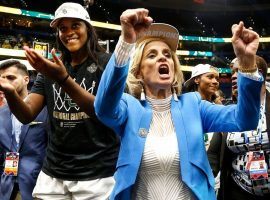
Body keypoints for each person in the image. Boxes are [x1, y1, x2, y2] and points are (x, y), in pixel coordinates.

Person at [94, 8, 263, 200]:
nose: (162, 57)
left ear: (174, 69)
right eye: (151, 55)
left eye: (167, 54)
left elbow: (245, 120)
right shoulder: (129, 108)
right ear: (138, 73)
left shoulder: (194, 105)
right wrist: (126, 42)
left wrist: (247, 63)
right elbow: (104, 108)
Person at [0, 2, 119, 200]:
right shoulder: (50, 67)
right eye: (63, 28)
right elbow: (26, 114)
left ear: (87, 28)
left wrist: (63, 79)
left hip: (98, 173)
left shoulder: (107, 63)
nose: (68, 32)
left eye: (75, 25)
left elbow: (105, 113)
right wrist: (11, 92)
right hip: (54, 172)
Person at [218, 55, 270, 200]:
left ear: (256, 73)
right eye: (232, 72)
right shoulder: (229, 109)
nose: (233, 77)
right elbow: (216, 156)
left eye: (238, 71)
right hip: (238, 191)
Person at [0, 59, 48, 200]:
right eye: (1, 78)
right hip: (5, 187)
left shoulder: (45, 111)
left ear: (26, 79)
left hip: (37, 186)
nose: (4, 82)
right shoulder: (1, 113)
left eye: (10, 77)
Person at [183, 64, 224, 195]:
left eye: (217, 79)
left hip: (214, 182)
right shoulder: (182, 109)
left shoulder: (219, 110)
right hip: (187, 180)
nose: (215, 81)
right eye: (210, 77)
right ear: (196, 79)